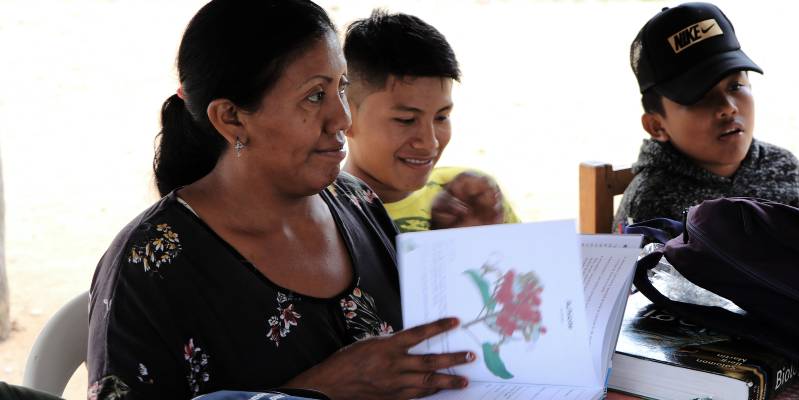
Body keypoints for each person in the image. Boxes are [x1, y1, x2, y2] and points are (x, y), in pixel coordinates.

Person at [86, 1, 475, 399]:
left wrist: (464, 260)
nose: (342, 118)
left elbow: (433, 357)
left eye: (341, 88)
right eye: (314, 96)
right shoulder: (150, 266)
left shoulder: (355, 201)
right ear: (231, 118)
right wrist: (321, 389)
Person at [613, 2, 799, 230]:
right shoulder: (649, 204)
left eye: (736, 86)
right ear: (656, 126)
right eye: (699, 96)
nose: (728, 108)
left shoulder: (784, 170)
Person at [340, 10, 519, 233]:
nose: (430, 142)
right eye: (406, 120)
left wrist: (479, 240)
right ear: (345, 115)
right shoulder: (320, 212)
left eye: (441, 117)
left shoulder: (473, 197)